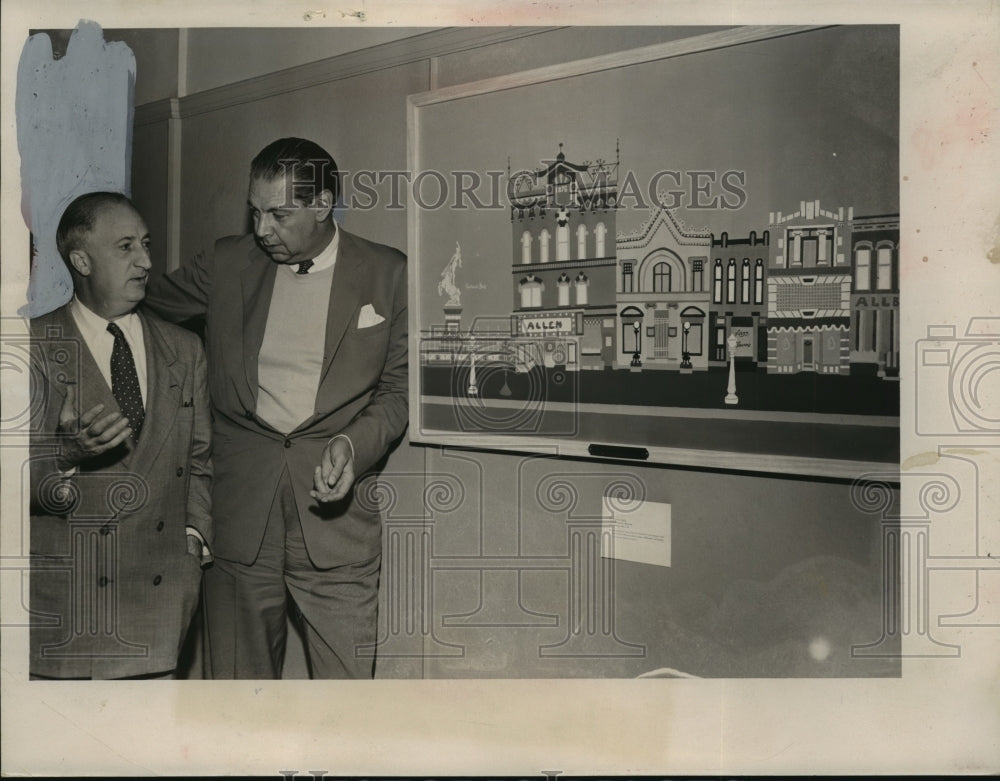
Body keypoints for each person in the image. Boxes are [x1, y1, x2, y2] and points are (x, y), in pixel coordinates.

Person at [143, 137, 408, 679]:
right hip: (239, 518)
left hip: (336, 527)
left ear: (323, 205)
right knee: (240, 703)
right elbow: (142, 303)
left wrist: (352, 445)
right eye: (256, 211)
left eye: (280, 214)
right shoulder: (225, 262)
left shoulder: (388, 272)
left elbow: (398, 390)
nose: (262, 230)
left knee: (346, 701)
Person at [29, 192, 213, 680]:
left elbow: (199, 459)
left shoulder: (184, 348)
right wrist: (65, 453)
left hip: (158, 598)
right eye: (126, 247)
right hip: (70, 602)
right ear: (81, 260)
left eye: (147, 244)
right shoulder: (29, 348)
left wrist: (193, 538)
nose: (147, 261)